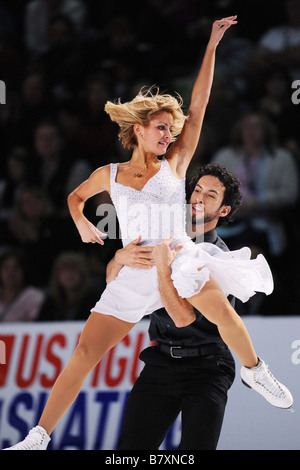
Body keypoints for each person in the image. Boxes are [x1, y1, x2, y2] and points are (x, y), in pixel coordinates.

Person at [4, 17, 293, 451]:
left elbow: (198, 105)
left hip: (176, 259)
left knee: (222, 313)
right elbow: (73, 197)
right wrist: (82, 221)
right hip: (134, 269)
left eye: (170, 130)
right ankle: (39, 436)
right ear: (137, 130)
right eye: (160, 128)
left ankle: (255, 370)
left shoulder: (174, 165)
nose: (168, 134)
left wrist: (212, 46)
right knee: (84, 353)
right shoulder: (110, 174)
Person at [114, 163, 239, 450]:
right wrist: (120, 256)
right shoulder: (160, 236)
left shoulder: (219, 257)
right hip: (161, 361)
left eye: (210, 195)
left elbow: (185, 319)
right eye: (196, 190)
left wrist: (161, 269)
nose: (198, 198)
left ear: (224, 210)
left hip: (207, 367)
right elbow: (113, 280)